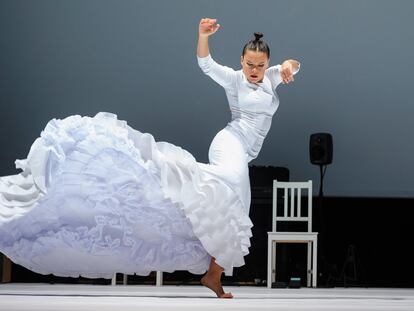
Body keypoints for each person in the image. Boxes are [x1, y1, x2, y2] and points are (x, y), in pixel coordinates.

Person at [0, 18, 299, 299]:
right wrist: (203, 37)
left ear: (267, 64)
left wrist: (287, 66)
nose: (255, 70)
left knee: (235, 202)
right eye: (250, 64)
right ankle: (165, 170)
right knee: (234, 186)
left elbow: (294, 66)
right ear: (241, 62)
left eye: (260, 65)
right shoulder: (235, 80)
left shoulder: (272, 77)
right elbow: (205, 64)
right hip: (230, 142)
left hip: (245, 151)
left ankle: (213, 274)